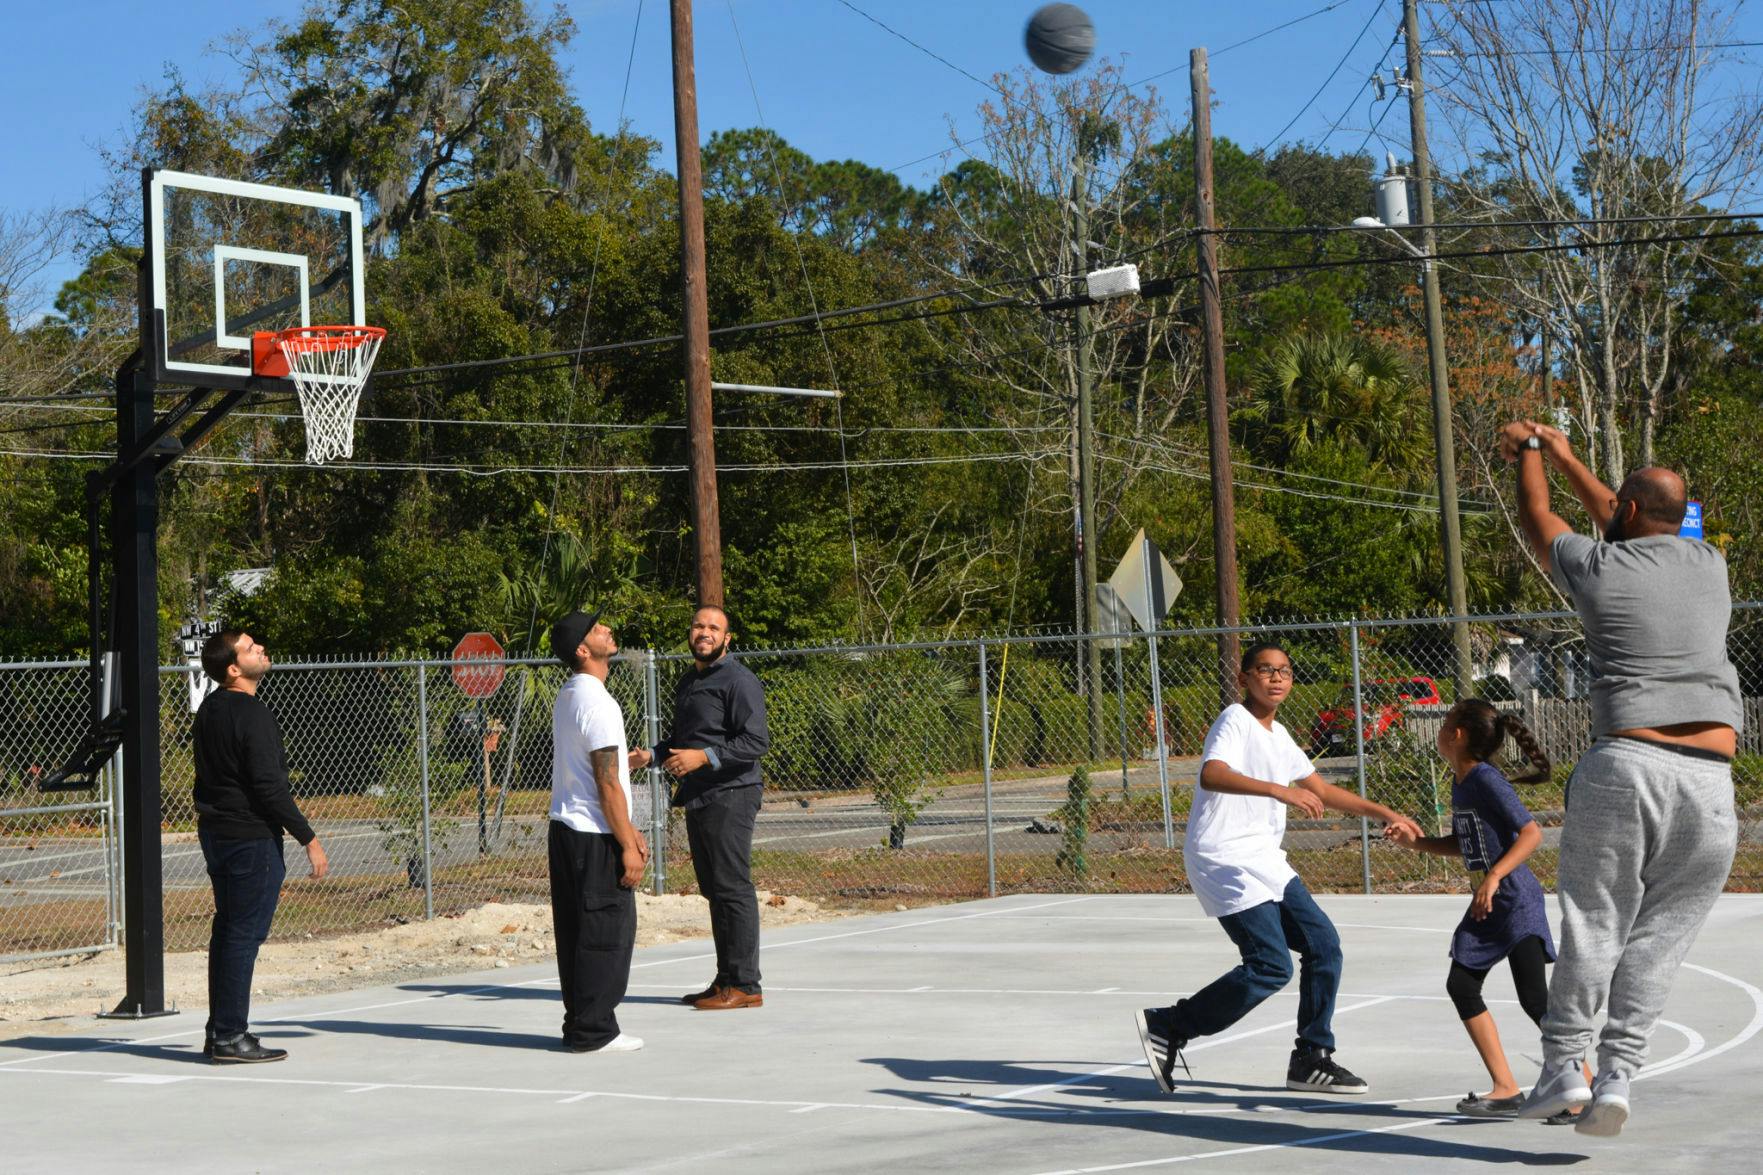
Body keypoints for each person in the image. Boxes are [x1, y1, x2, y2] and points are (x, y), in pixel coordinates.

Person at [1500, 421, 1741, 1137]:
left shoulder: (1595, 565)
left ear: (1627, 513)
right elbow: (1624, 510)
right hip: (1711, 783)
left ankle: (1561, 1068)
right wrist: (1570, 454)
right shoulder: (1708, 562)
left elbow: (1538, 514)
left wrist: (1532, 451)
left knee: (1596, 924)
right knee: (1659, 940)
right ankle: (1617, 1077)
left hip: (1628, 766)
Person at [1136, 641, 1423, 1096]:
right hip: (1224, 856)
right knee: (1270, 965)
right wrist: (1279, 790)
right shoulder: (1235, 719)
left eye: (1284, 671)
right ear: (1244, 678)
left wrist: (1384, 812)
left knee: (1324, 945)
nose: (1276, 678)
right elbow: (1211, 773)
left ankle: (1312, 1058)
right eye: (1265, 670)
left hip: (1263, 858)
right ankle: (1170, 1025)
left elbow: (1321, 791)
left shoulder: (1281, 735)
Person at [1387, 698, 1588, 1122]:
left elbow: (1532, 833)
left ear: (1457, 734)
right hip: (1489, 904)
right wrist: (1416, 843)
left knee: (1534, 999)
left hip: (1514, 901)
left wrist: (1495, 876)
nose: (1440, 730)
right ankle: (1506, 1088)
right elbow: (1466, 844)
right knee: (1461, 985)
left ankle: (1584, 1084)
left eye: (1445, 723)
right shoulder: (1461, 781)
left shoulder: (1485, 779)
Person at [192, 630, 329, 1064]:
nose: (261, 650)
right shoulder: (252, 713)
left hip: (217, 833)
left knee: (228, 932)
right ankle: (230, 1035)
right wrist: (308, 838)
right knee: (243, 936)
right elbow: (270, 788)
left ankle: (220, 1031)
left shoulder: (209, 709)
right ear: (234, 669)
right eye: (251, 649)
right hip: (249, 839)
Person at [628, 604, 770, 1011]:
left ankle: (745, 984)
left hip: (732, 793)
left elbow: (755, 741)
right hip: (699, 794)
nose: (704, 632)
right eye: (698, 626)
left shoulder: (740, 680)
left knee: (732, 887)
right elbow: (682, 740)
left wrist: (704, 757)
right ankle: (726, 979)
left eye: (713, 628)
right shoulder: (690, 680)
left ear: (727, 638)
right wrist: (651, 756)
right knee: (714, 889)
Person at [548, 609, 648, 1053]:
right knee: (606, 932)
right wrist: (627, 842)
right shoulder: (599, 703)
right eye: (595, 629)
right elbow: (606, 783)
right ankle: (595, 1031)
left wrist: (627, 826)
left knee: (576, 932)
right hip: (593, 834)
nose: (606, 629)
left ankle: (581, 1024)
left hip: (568, 829)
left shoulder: (569, 694)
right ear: (583, 650)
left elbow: (601, 774)